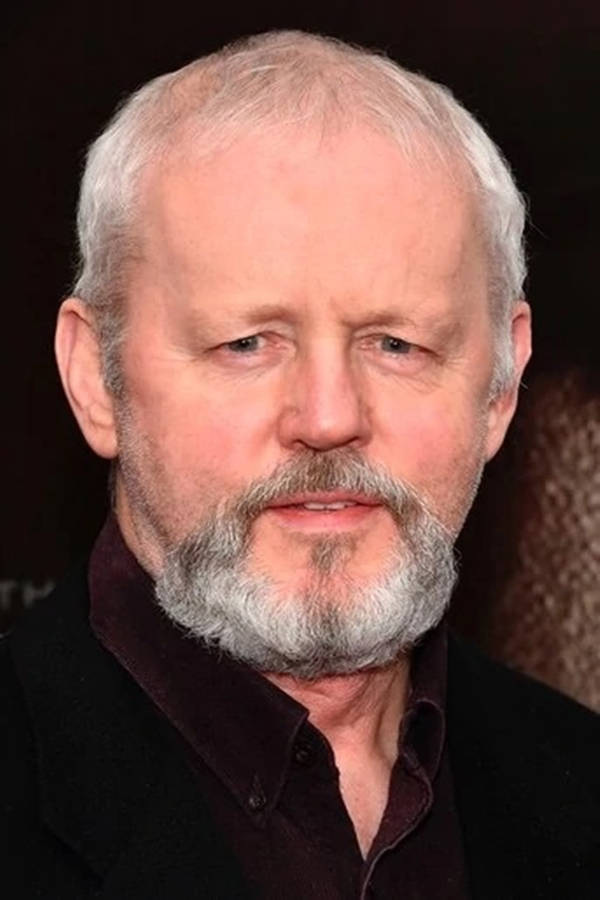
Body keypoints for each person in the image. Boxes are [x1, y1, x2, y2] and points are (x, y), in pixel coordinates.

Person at [2, 30, 598, 899]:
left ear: (502, 382)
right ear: (96, 378)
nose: (328, 418)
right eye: (247, 343)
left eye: (396, 344)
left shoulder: (579, 785)